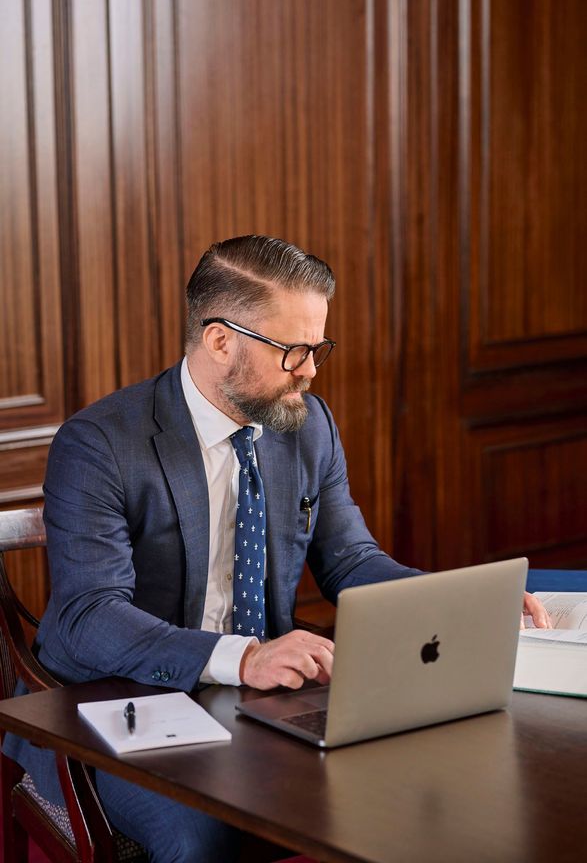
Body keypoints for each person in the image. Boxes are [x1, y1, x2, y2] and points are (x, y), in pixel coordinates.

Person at [4, 235, 551, 861]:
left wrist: (455, 604)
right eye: (293, 350)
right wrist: (244, 658)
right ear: (219, 341)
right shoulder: (100, 443)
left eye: (318, 348)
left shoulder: (308, 426)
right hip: (117, 697)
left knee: (420, 777)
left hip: (258, 699)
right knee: (201, 836)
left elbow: (351, 560)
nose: (311, 370)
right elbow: (89, 615)